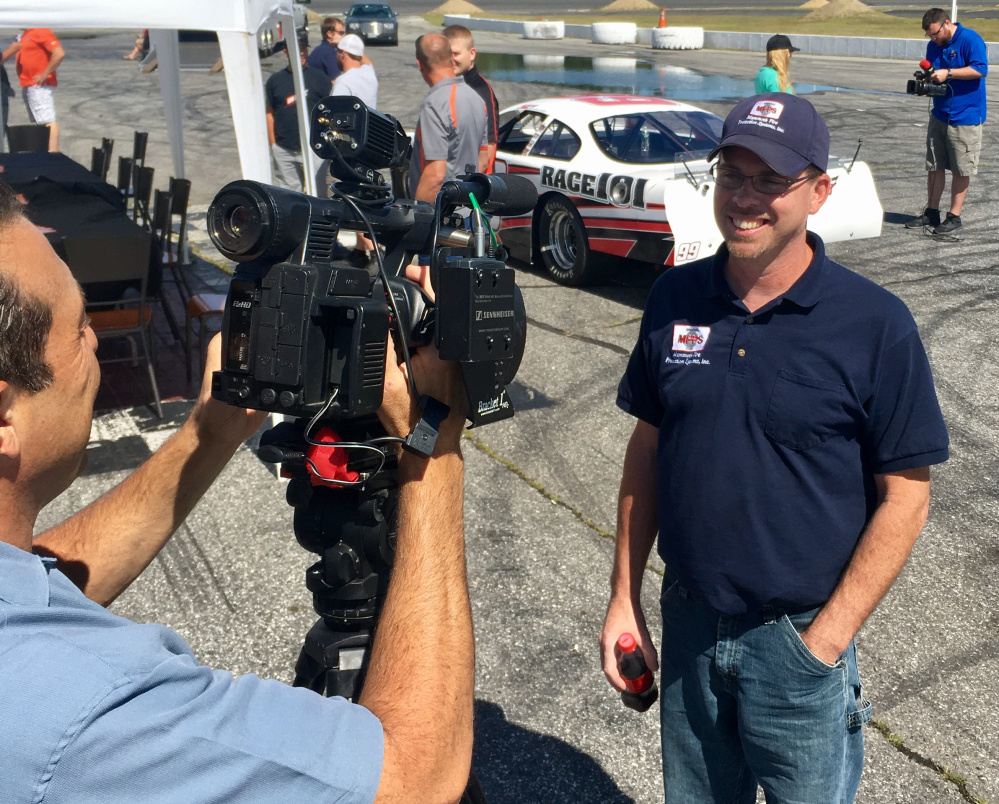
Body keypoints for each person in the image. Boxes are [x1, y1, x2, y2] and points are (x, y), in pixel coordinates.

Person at [0, 177, 474, 804]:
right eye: (80, 321)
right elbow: (412, 779)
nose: (92, 340)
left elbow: (35, 591)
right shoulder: (88, 712)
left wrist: (211, 429)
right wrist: (433, 446)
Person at [600, 93, 949, 803]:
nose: (745, 200)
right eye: (733, 174)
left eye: (771, 180)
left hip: (797, 639)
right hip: (691, 623)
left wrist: (823, 645)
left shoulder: (875, 325)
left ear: (818, 191)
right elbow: (648, 450)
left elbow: (906, 497)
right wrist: (622, 599)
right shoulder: (674, 298)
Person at [905, 8, 987, 236]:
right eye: (929, 36)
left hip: (966, 116)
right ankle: (932, 212)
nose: (933, 39)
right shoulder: (934, 45)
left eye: (935, 34)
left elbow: (981, 69)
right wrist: (926, 79)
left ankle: (954, 216)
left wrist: (948, 73)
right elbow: (933, 70)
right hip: (940, 113)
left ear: (947, 24)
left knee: (961, 168)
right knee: (934, 165)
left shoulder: (971, 39)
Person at [409, 33, 488, 204]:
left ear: (420, 65)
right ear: (451, 58)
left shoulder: (435, 104)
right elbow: (483, 159)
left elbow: (435, 175)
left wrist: (418, 222)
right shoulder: (477, 99)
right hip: (468, 212)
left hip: (442, 216)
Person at [331, 33, 379, 267]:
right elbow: (366, 60)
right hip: (371, 146)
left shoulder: (343, 83)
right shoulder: (369, 75)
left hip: (349, 150)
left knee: (351, 200)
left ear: (341, 54)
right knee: (365, 196)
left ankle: (373, 250)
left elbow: (333, 118)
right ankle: (361, 251)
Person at [265, 34, 333, 192]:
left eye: (304, 49)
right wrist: (273, 144)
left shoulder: (321, 79)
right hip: (284, 149)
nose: (301, 53)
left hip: (314, 149)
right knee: (289, 196)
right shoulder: (275, 81)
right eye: (297, 50)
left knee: (317, 194)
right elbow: (270, 112)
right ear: (286, 51)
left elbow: (330, 113)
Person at [443, 24, 499, 173]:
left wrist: (466, 188)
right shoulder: (451, 86)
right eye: (446, 54)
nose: (451, 59)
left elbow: (488, 150)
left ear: (472, 54)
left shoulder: (481, 91)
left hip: (472, 188)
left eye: (456, 53)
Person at [1, 28, 65, 152]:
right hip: (28, 84)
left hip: (38, 84)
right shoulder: (25, 34)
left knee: (47, 121)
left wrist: (45, 73)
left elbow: (59, 53)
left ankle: (52, 154)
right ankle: (44, 150)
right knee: (39, 120)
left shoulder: (40, 30)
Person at [308, 16, 345, 81]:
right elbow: (335, 81)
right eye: (341, 33)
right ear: (329, 34)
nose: (343, 36)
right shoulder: (330, 52)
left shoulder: (320, 49)